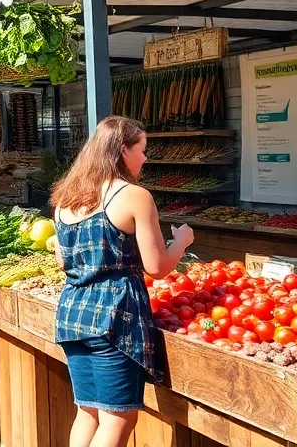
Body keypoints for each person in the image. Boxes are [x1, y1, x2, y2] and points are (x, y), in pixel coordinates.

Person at [52, 116, 193, 447]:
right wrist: (182, 241)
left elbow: (62, 261)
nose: (145, 158)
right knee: (118, 416)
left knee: (88, 412)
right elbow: (157, 267)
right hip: (114, 319)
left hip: (72, 316)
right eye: (142, 150)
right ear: (122, 150)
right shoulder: (134, 196)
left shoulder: (65, 197)